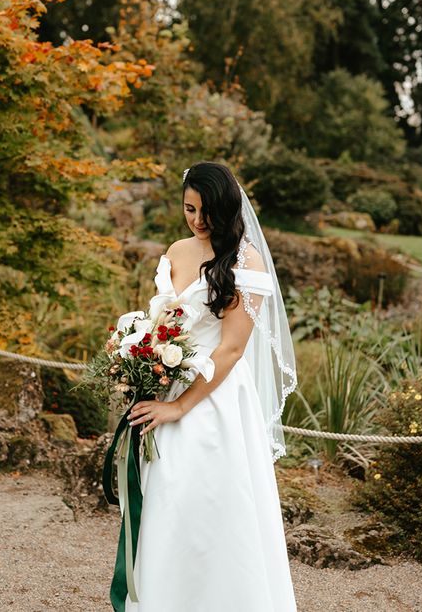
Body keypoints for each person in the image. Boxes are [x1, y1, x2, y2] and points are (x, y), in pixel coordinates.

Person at [120, 161, 298, 611]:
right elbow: (162, 322)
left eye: (207, 211)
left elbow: (231, 350)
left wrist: (180, 407)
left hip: (213, 405)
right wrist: (140, 361)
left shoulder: (246, 261)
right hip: (164, 395)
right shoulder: (176, 251)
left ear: (227, 207)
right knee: (167, 511)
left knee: (212, 513)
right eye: (189, 209)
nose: (198, 221)